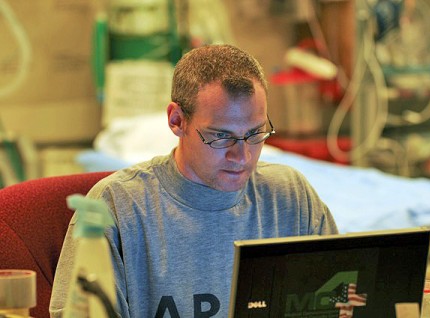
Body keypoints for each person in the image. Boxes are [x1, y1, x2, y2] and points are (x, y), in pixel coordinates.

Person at [50, 44, 338, 317]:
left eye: (255, 133)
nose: (242, 156)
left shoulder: (290, 197)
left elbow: (343, 302)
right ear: (177, 120)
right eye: (221, 136)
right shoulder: (117, 207)